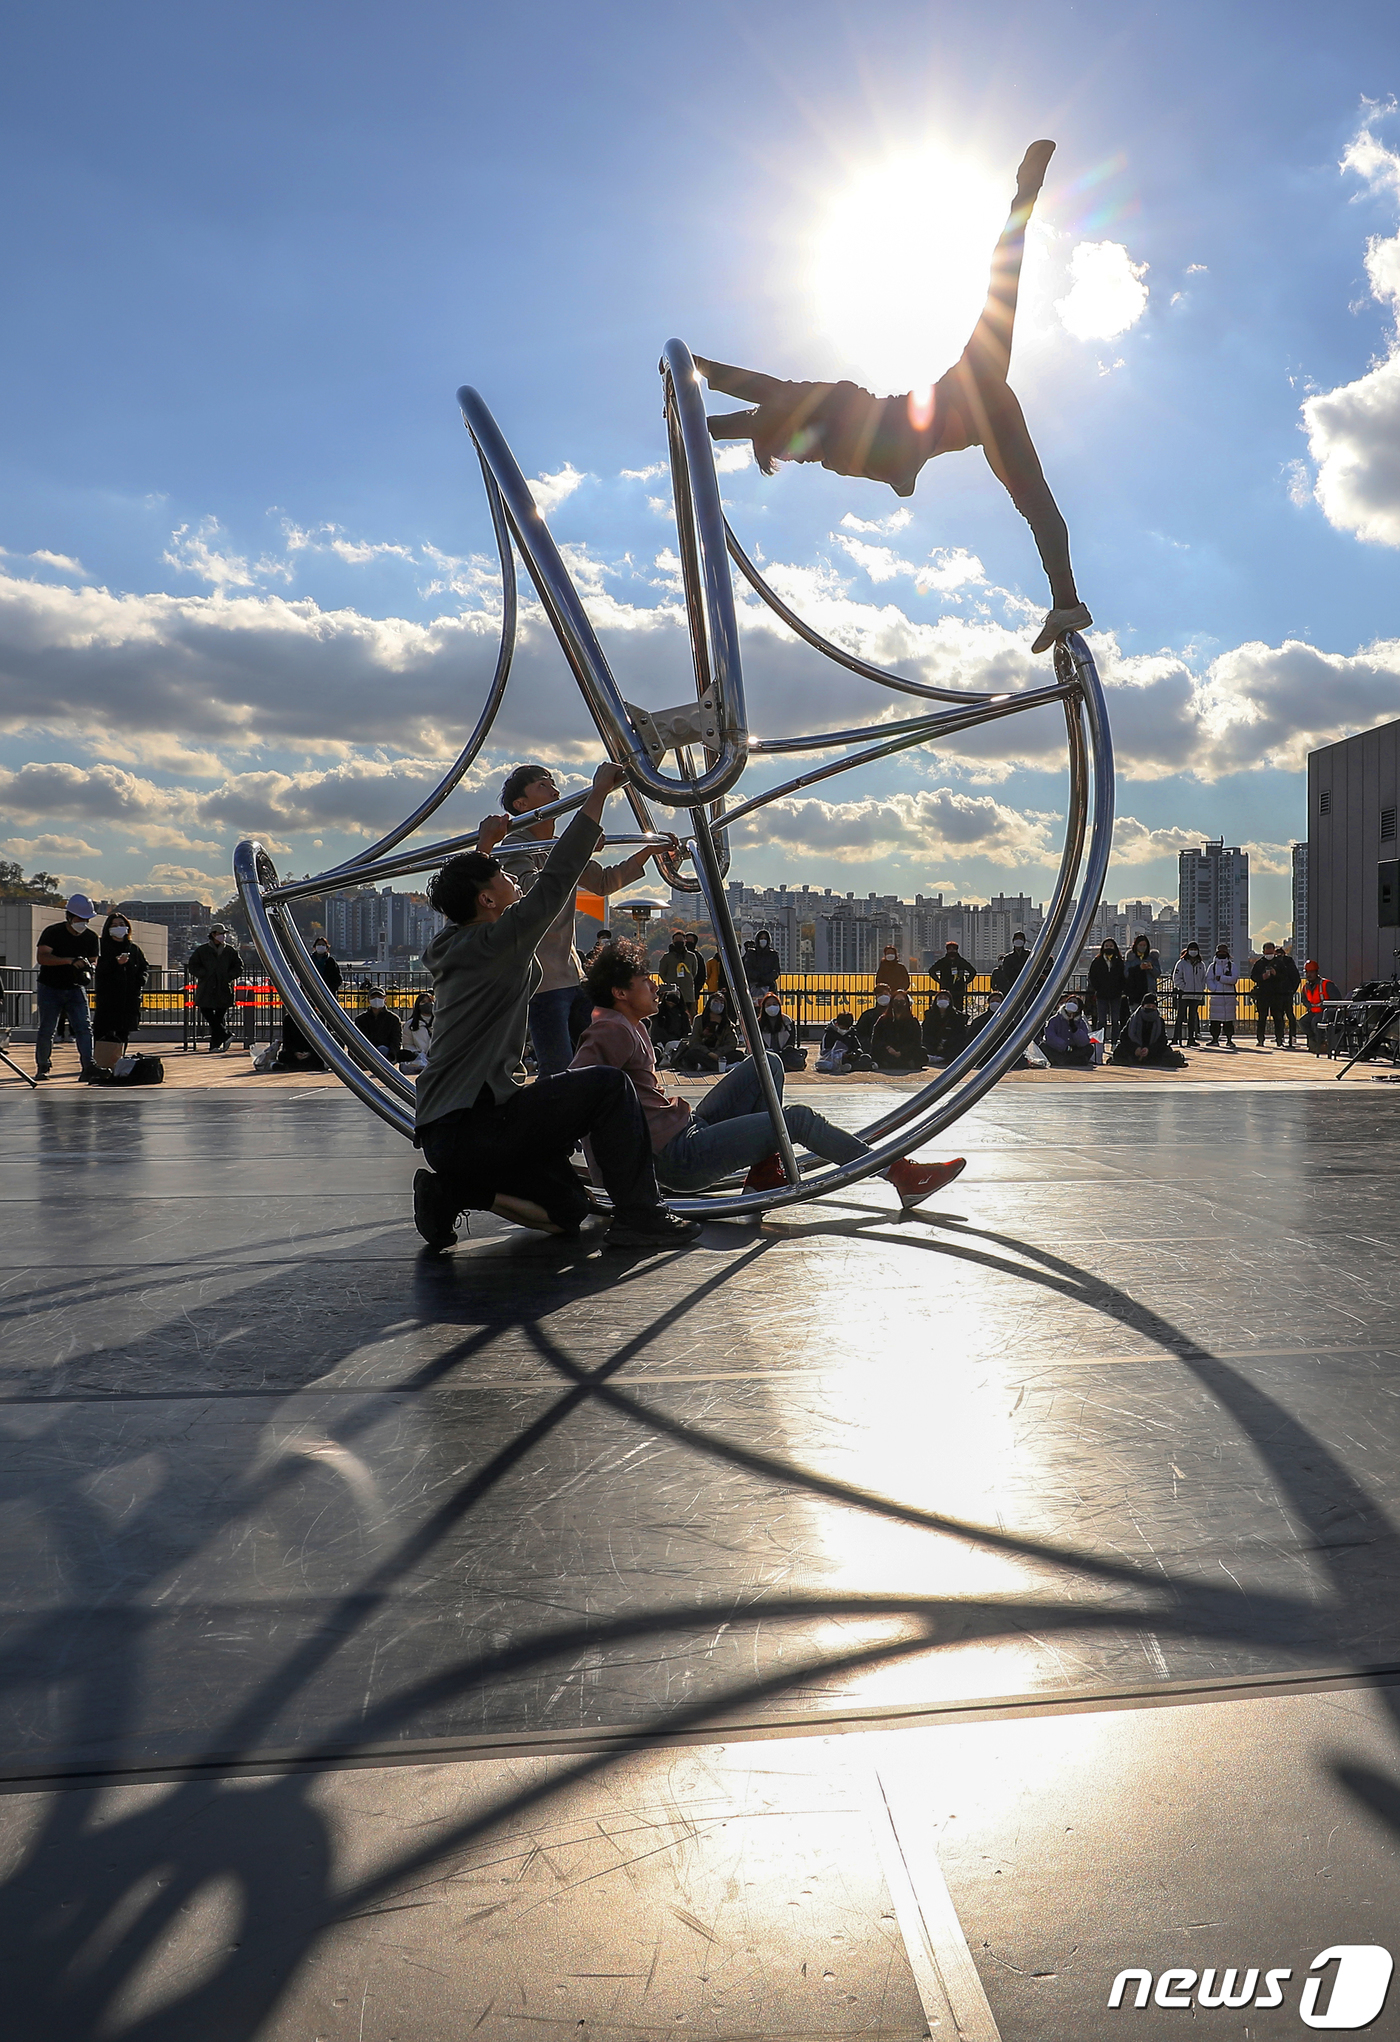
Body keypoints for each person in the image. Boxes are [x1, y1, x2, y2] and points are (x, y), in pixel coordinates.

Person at [696, 142, 1091, 659]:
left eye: (793, 450)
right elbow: (755, 416)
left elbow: (759, 397)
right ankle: (1067, 602)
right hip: (970, 408)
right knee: (1032, 499)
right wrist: (700, 418)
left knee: (1002, 282)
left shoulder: (813, 409)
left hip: (953, 404)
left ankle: (1025, 192)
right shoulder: (817, 432)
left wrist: (696, 378)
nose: (801, 457)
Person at [411, 761, 697, 1252]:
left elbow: (464, 897)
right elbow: (558, 877)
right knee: (608, 1086)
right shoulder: (503, 939)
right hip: (473, 1125)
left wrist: (484, 850)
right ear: (488, 900)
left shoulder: (458, 942)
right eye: (502, 876)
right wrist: (598, 794)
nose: (510, 880)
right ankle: (640, 1214)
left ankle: (452, 1190)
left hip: (457, 1133)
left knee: (569, 1212)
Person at [570, 948, 964, 1207]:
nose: (656, 986)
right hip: (678, 1157)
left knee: (769, 1062)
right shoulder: (611, 1030)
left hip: (686, 1127)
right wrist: (605, 1176)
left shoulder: (631, 1023)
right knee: (796, 1119)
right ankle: (901, 1175)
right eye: (644, 982)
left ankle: (762, 1172)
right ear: (621, 992)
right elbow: (574, 1092)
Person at [495, 763, 677, 1078]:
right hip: (542, 981)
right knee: (559, 1065)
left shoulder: (563, 847)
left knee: (594, 1058)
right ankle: (562, 1122)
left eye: (553, 783)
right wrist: (577, 845)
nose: (554, 790)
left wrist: (647, 852)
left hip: (572, 976)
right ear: (520, 805)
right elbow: (534, 893)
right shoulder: (516, 845)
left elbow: (605, 881)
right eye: (542, 785)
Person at [33, 893, 101, 1082]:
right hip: (50, 987)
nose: (83, 922)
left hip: (75, 987)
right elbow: (42, 957)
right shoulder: (52, 932)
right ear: (69, 916)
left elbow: (95, 961)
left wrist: (87, 966)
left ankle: (88, 1065)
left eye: (86, 919)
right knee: (47, 1029)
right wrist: (69, 961)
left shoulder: (91, 937)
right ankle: (43, 1066)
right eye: (80, 918)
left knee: (84, 1028)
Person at [90, 910, 150, 1075]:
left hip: (129, 998)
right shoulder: (102, 947)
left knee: (124, 1031)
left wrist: (140, 981)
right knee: (103, 1030)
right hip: (108, 997)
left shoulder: (133, 948)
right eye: (114, 925)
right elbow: (98, 968)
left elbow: (144, 967)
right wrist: (115, 963)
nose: (118, 928)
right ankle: (100, 1062)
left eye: (122, 925)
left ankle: (119, 1062)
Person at [274, 935, 344, 1071]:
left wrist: (327, 989)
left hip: (326, 996)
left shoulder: (330, 962)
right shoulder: (308, 961)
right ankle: (301, 1059)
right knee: (285, 1055)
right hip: (298, 1049)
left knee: (327, 1027)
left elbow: (337, 979)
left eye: (323, 945)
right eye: (318, 944)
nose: (320, 947)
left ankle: (312, 1057)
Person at [186, 924, 245, 1054]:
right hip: (206, 987)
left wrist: (229, 976)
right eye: (220, 933)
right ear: (213, 934)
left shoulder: (230, 951)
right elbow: (193, 966)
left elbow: (239, 967)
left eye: (224, 934)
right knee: (207, 1012)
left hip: (223, 987)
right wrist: (203, 974)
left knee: (218, 1017)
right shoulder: (202, 950)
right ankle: (225, 1035)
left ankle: (215, 1044)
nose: (223, 936)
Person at [1110, 993, 1188, 1068]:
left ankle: (1143, 1059)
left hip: (1152, 1052)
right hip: (1135, 1051)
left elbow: (1162, 1041)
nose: (1150, 1008)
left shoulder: (1159, 1021)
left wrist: (1149, 1050)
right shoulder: (1133, 1019)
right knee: (1119, 1052)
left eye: (1153, 1007)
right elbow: (1124, 1037)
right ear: (1143, 1006)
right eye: (1148, 1006)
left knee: (1169, 1055)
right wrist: (1135, 1048)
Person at [674, 990, 741, 1072]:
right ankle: (718, 1067)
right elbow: (694, 1041)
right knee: (691, 1053)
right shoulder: (699, 1019)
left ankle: (707, 1065)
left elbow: (732, 1043)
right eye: (716, 1001)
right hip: (703, 1052)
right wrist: (708, 1053)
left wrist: (717, 1053)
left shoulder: (726, 1022)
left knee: (738, 1055)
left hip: (719, 1054)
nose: (718, 1004)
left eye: (721, 1002)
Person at [967, 986, 1030, 1068]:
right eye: (993, 1001)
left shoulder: (1008, 1020)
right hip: (985, 1053)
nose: (995, 1003)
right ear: (988, 1003)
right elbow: (971, 1037)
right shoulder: (979, 1020)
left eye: (997, 1001)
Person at [871, 988, 925, 1071]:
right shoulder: (883, 1019)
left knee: (922, 1052)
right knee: (876, 1051)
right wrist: (888, 1048)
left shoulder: (913, 1021)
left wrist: (902, 1052)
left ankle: (904, 1062)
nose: (899, 1003)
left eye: (902, 1001)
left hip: (905, 1052)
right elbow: (876, 1039)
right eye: (896, 1000)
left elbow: (916, 1041)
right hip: (888, 1051)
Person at [1249, 942, 1291, 1048]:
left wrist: (1275, 974)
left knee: (1278, 1017)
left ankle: (1279, 1039)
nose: (1269, 954)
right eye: (1267, 952)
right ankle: (1260, 1039)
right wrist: (1262, 977)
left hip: (1277, 994)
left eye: (1270, 951)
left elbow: (1286, 976)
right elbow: (1253, 976)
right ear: (1263, 952)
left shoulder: (1279, 962)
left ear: (1274, 951)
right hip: (1263, 994)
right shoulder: (1259, 963)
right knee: (1262, 1018)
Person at [1087, 938, 1128, 1046]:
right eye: (1106, 946)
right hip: (1101, 995)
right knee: (1101, 1021)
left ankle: (1114, 1043)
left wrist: (1120, 989)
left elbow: (1123, 978)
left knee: (1115, 1020)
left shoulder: (1119, 962)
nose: (1108, 948)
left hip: (1116, 995)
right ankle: (1100, 1043)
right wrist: (1098, 988)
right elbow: (1092, 977)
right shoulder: (1097, 962)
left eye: (1111, 946)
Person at [1041, 996, 1095, 1066]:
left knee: (1089, 1048)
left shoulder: (1081, 1022)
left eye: (1074, 1003)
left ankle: (1063, 1060)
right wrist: (1064, 1046)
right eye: (1070, 1002)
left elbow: (1084, 1041)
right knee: (1043, 1046)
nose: (1071, 1004)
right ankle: (1071, 1061)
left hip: (1074, 1050)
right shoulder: (1055, 1019)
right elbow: (1050, 1036)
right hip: (1059, 1049)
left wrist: (1074, 1028)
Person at [1299, 960, 1339, 1055]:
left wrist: (1325, 1005)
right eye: (1307, 972)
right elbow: (1304, 1000)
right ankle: (1314, 1042)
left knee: (1315, 1022)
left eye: (1311, 972)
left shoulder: (1327, 984)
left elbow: (1336, 1000)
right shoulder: (1305, 987)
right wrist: (1308, 1006)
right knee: (1303, 1021)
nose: (1309, 975)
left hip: (1327, 1012)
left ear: (1317, 972)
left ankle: (1322, 1043)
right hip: (1314, 1012)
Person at [1171, 943, 1207, 1047]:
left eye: (1195, 949)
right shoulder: (1181, 963)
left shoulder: (1201, 964)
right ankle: (1175, 1038)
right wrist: (1184, 988)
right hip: (1184, 994)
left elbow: (1203, 978)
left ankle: (1191, 1038)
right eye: (1191, 949)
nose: (1193, 951)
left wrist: (1201, 988)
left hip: (1196, 994)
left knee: (1193, 1017)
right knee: (1180, 1016)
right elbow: (1176, 978)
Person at [757, 996, 805, 1070]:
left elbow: (791, 1042)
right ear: (764, 1007)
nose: (772, 1007)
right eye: (768, 1005)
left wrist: (785, 1050)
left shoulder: (787, 1022)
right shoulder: (758, 1023)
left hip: (784, 1053)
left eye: (774, 1004)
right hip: (767, 1053)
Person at [1205, 944, 1238, 1049]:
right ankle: (1214, 1039)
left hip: (1229, 997)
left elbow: (1234, 979)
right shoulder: (1212, 966)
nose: (1222, 954)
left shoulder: (1232, 965)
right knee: (1215, 1021)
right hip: (1216, 998)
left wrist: (1221, 978)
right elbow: (1209, 979)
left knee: (1229, 1021)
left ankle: (1229, 1039)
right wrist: (1214, 989)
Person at [354, 988, 403, 1058]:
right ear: (368, 1000)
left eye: (379, 997)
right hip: (366, 1052)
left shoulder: (393, 1019)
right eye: (373, 997)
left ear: (385, 999)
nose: (376, 999)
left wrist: (392, 1054)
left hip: (386, 1053)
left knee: (382, 1049)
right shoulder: (360, 1019)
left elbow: (396, 1040)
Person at [921, 990, 968, 1063]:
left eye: (945, 998)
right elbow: (926, 1033)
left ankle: (943, 1058)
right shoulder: (930, 1016)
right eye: (940, 998)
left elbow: (960, 1034)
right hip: (933, 1044)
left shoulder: (957, 1017)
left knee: (958, 1047)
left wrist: (946, 1043)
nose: (943, 1000)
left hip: (950, 1044)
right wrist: (936, 1043)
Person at [658, 931, 699, 1013]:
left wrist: (687, 980)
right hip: (672, 992)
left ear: (685, 941)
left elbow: (694, 971)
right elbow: (662, 972)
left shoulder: (691, 956)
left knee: (689, 1014)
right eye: (676, 940)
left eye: (681, 940)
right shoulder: (667, 957)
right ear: (673, 942)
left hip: (688, 993)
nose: (678, 942)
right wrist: (670, 981)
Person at [650, 987, 692, 1066]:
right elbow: (656, 1030)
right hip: (661, 1042)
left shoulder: (683, 1014)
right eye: (668, 1002)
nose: (670, 1005)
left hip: (677, 1041)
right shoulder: (659, 1012)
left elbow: (686, 1030)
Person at [931, 940, 977, 1009]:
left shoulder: (961, 962)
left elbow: (973, 972)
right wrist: (939, 981)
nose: (952, 951)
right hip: (946, 990)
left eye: (954, 949)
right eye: (950, 949)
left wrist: (966, 982)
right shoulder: (942, 962)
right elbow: (931, 971)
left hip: (958, 990)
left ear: (957, 950)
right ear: (947, 950)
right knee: (945, 1008)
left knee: (958, 1009)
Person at [1273, 945, 1302, 1046]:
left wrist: (1291, 990)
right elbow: (1296, 978)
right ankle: (1283, 1037)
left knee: (1285, 1015)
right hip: (1282, 993)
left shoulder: (1286, 963)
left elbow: (1296, 978)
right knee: (1282, 1016)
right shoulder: (1288, 962)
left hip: (1284, 993)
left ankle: (1287, 1037)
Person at [402, 992, 435, 1073]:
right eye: (423, 1002)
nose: (427, 1004)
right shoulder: (410, 1024)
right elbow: (407, 1044)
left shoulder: (440, 1021)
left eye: (429, 1002)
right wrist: (418, 1055)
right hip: (419, 1058)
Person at [1125, 934, 1159, 1008]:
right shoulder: (1131, 958)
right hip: (1134, 992)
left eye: (1144, 945)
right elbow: (1126, 973)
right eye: (1140, 945)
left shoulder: (1152, 958)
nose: (1142, 947)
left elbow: (1157, 973)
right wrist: (1139, 968)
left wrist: (1151, 968)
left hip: (1149, 990)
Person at [743, 929, 781, 994]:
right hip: (753, 986)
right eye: (761, 938)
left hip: (770, 987)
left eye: (765, 938)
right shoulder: (751, 953)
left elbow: (776, 971)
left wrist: (767, 978)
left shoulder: (773, 954)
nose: (763, 940)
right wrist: (758, 977)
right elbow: (748, 969)